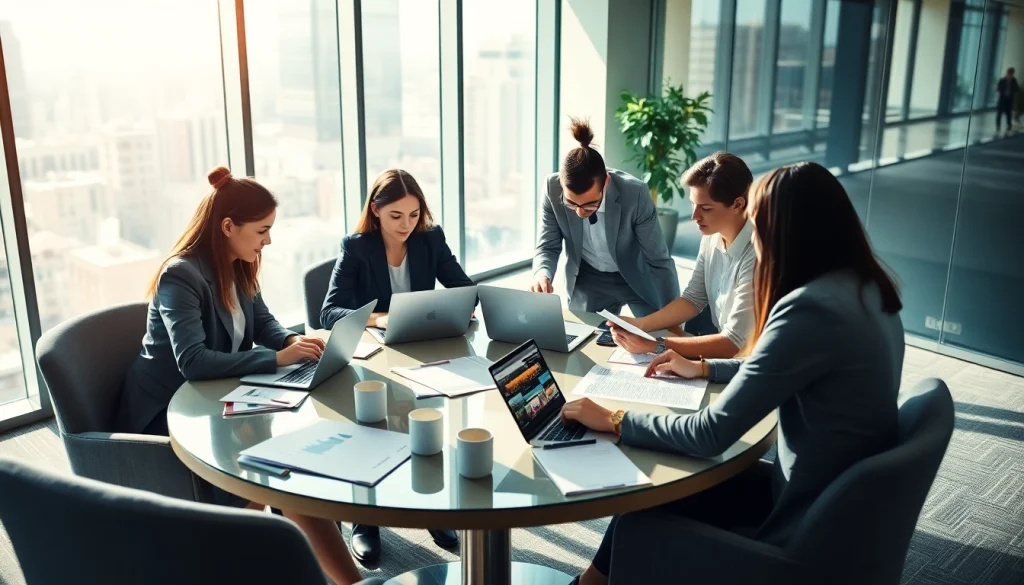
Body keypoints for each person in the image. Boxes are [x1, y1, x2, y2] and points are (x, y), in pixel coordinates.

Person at [561, 161, 905, 585]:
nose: (753, 234)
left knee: (644, 499)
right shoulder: (865, 287)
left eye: (758, 221)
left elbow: (710, 435)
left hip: (802, 523)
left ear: (786, 231)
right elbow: (775, 366)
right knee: (657, 489)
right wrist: (703, 367)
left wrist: (613, 419)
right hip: (838, 508)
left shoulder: (809, 310)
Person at [116, 166, 364, 585]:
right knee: (268, 466)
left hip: (219, 395)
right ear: (228, 226)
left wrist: (292, 343)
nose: (269, 240)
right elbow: (192, 361)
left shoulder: (240, 262)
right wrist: (276, 361)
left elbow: (265, 324)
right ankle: (271, 563)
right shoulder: (181, 275)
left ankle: (346, 580)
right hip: (170, 412)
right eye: (262, 230)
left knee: (291, 463)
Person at [319, 168, 467, 564]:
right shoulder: (356, 247)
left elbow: (462, 287)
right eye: (396, 216)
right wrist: (378, 317)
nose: (407, 225)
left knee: (425, 428)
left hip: (420, 351)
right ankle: (365, 522)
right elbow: (329, 311)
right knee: (374, 433)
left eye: (414, 214)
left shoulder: (430, 240)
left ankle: (430, 509)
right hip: (373, 357)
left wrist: (458, 308)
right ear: (377, 212)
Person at [607, 152, 755, 359]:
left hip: (751, 364)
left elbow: (732, 343)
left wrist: (654, 345)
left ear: (738, 204)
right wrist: (640, 324)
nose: (695, 216)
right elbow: (693, 299)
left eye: (705, 208)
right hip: (726, 359)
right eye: (693, 205)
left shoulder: (757, 255)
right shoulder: (712, 237)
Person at [531, 118, 679, 317]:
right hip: (588, 277)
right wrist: (542, 274)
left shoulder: (635, 193)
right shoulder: (552, 188)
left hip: (635, 275)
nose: (580, 212)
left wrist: (673, 316)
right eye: (572, 203)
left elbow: (659, 260)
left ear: (606, 182)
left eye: (590, 204)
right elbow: (548, 246)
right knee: (581, 341)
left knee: (655, 338)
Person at [996, 67, 1018, 134]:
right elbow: (998, 88)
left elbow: (1016, 89)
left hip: (1009, 100)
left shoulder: (1014, 81)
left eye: (1011, 74)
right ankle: (998, 127)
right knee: (999, 114)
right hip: (1002, 99)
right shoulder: (1002, 80)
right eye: (1009, 74)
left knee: (1009, 114)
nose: (1010, 76)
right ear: (1007, 73)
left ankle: (1009, 127)